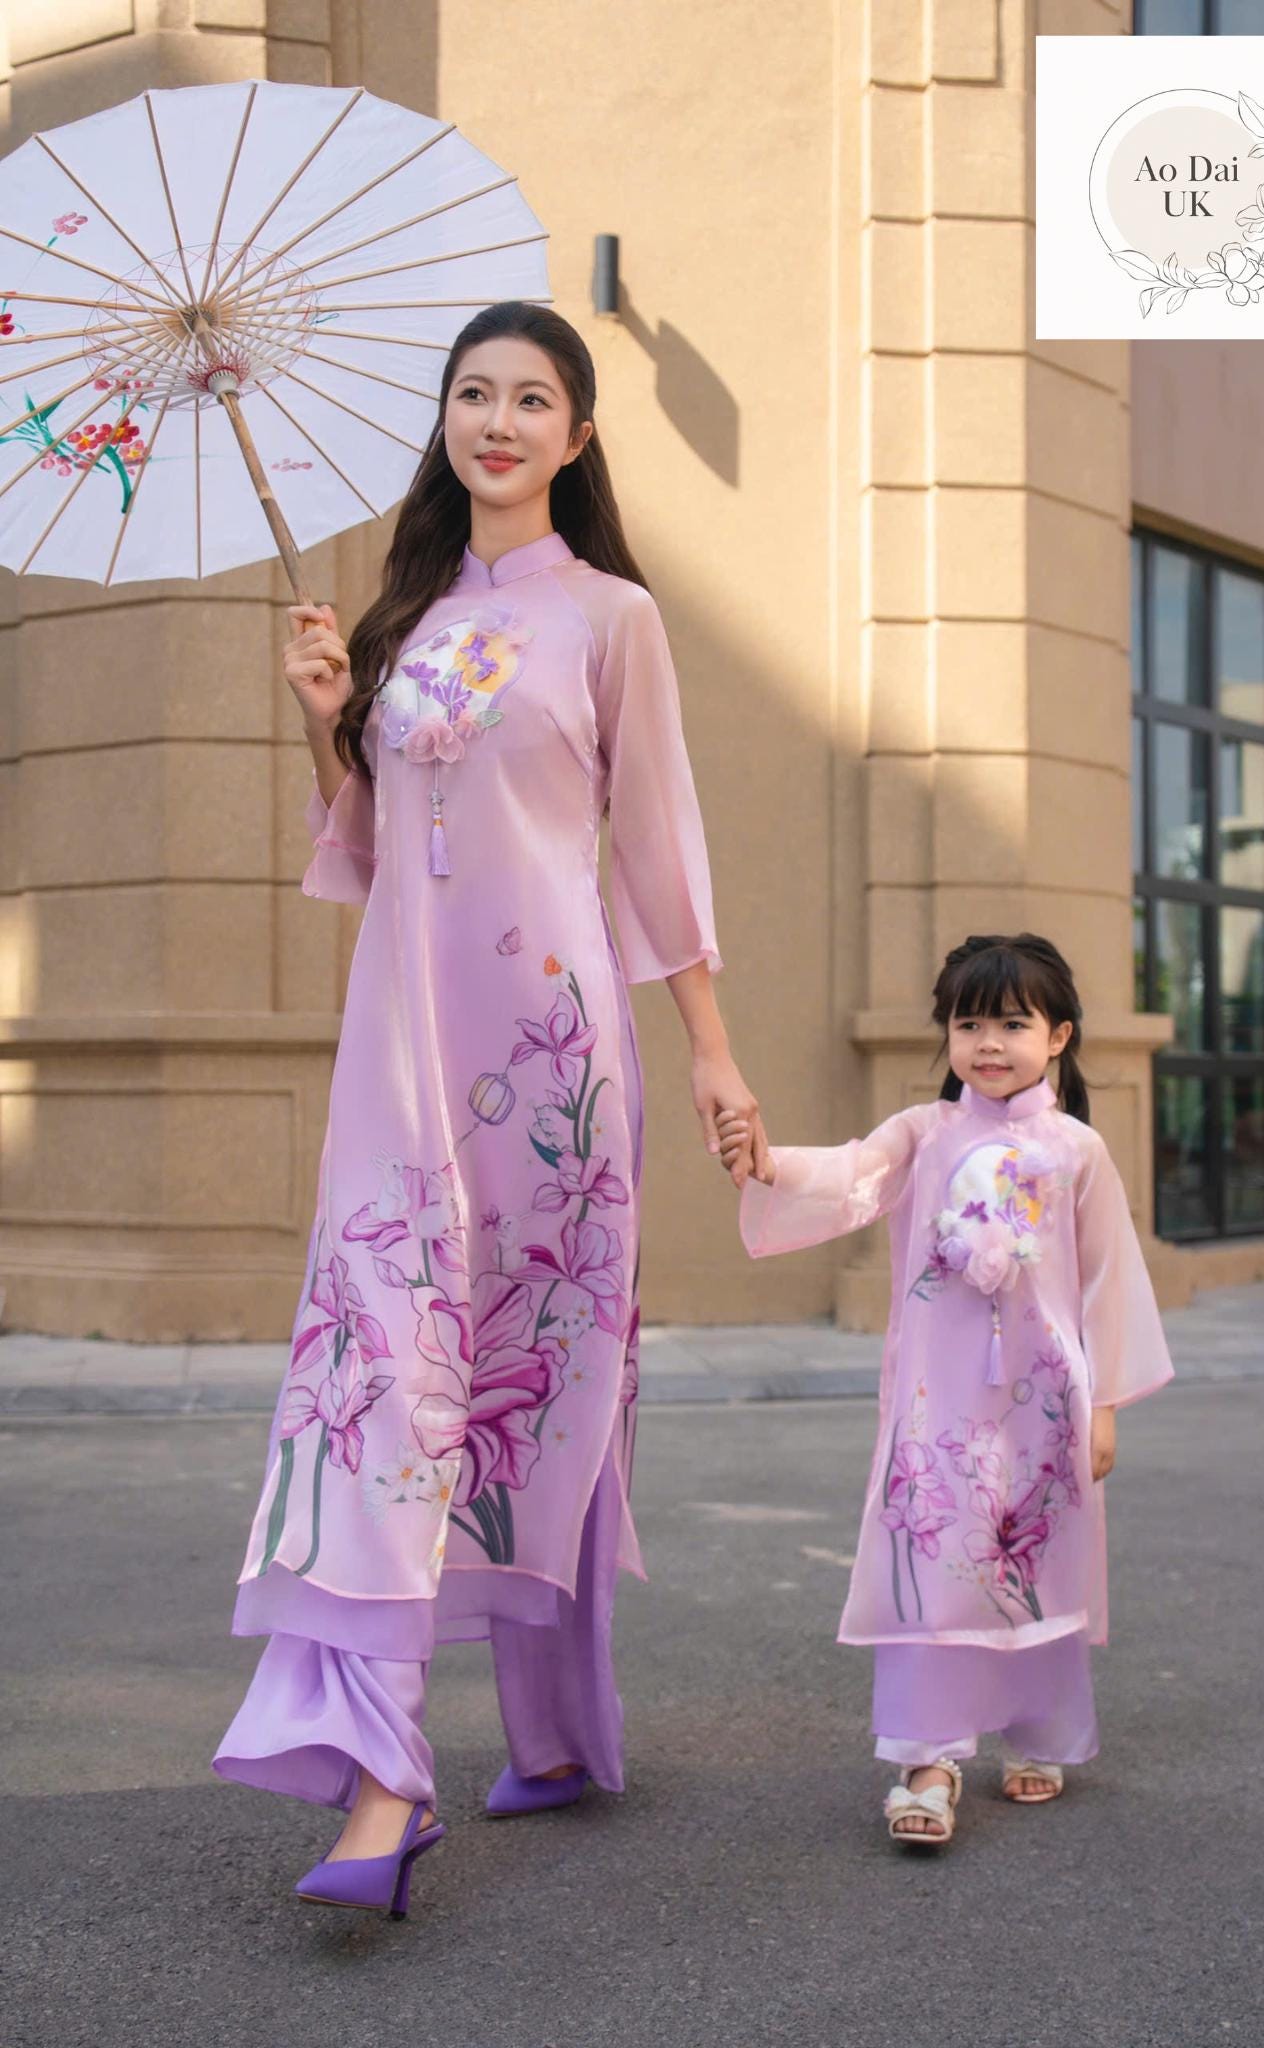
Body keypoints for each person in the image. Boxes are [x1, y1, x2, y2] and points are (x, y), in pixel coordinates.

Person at [214, 301, 761, 1915]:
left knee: (545, 1388)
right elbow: (377, 854)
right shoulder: (400, 619)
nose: (499, 418)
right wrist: (330, 720)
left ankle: (562, 1729)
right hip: (400, 1055)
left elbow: (659, 847)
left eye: (534, 397)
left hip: (553, 1066)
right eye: (474, 392)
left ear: (578, 437)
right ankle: (387, 1780)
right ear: (443, 421)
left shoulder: (612, 619)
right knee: (380, 1376)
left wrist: (715, 1051)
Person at [718, 934, 1172, 1849]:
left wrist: (1108, 1403)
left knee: (1030, 1555)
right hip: (939, 1406)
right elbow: (849, 1174)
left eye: (1013, 1023)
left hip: (1045, 1405)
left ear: (1060, 1036)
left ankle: (1035, 1731)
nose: (989, 1042)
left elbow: (1108, 1280)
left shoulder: (1078, 1150)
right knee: (932, 1559)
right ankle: (927, 1758)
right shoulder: (923, 1136)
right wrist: (771, 1165)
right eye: (970, 1023)